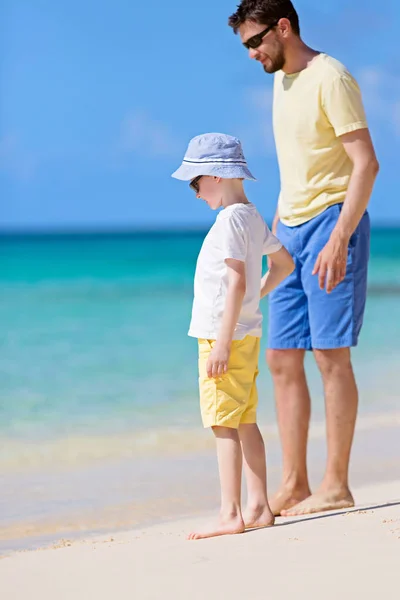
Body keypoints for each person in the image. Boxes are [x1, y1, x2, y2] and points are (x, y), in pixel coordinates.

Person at [228, 0, 379, 516]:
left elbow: (366, 163)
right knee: (280, 356)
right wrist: (272, 237)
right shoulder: (279, 80)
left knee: (330, 355)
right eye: (245, 46)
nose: (251, 54)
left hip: (333, 222)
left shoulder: (331, 77)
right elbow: (297, 168)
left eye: (255, 42)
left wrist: (340, 238)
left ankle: (336, 485)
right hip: (288, 230)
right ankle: (294, 482)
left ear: (284, 27)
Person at [171, 133, 294, 539]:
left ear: (217, 177)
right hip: (248, 335)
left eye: (196, 182)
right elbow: (283, 265)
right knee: (244, 420)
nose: (194, 192)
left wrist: (222, 341)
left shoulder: (228, 221)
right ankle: (258, 507)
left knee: (223, 424)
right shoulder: (251, 215)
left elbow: (236, 280)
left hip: (222, 337)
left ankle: (230, 513)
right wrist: (252, 303)